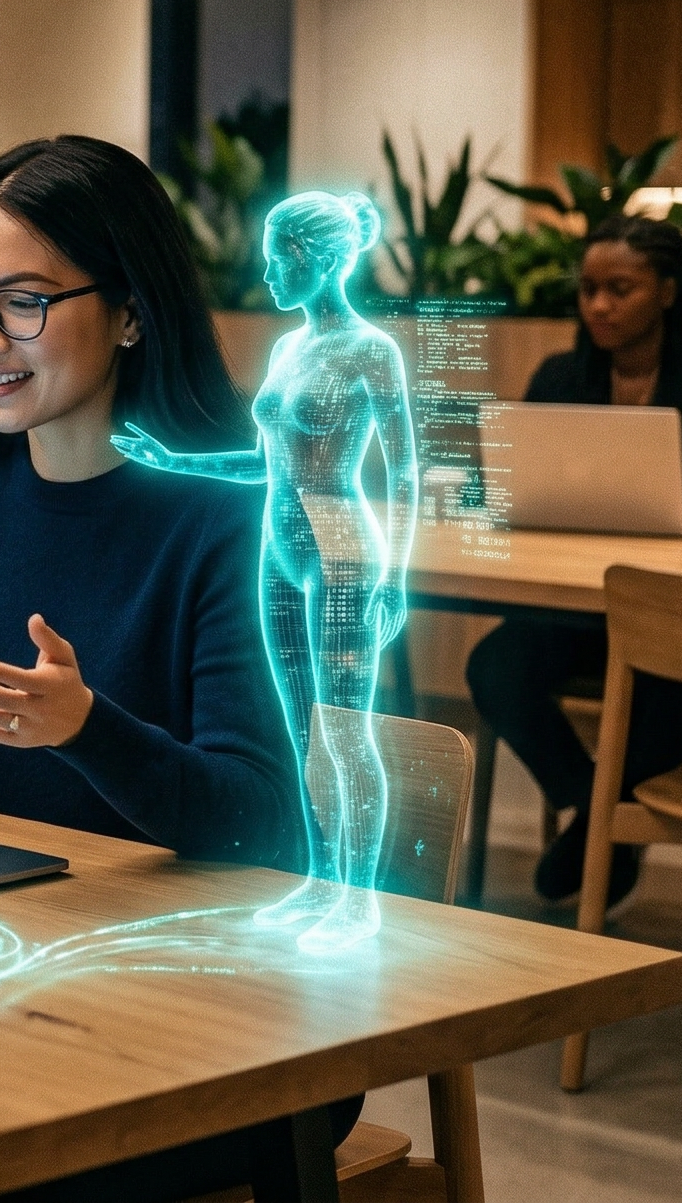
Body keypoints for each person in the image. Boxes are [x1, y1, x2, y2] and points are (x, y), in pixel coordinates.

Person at [0, 136, 357, 1200]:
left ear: (132, 311)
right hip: (13, 972)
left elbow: (255, 821)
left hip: (223, 1016)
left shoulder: (237, 523)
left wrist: (87, 728)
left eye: (23, 302)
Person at [116, 192, 419, 953]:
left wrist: (398, 580)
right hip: (278, 549)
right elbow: (268, 461)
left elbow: (406, 469)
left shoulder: (371, 350)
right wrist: (175, 462)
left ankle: (361, 898)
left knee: (347, 734)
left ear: (319, 261)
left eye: (278, 256)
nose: (266, 270)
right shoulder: (289, 351)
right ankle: (320, 882)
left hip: (342, 547)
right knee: (300, 731)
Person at [467, 214, 682, 909]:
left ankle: (593, 832)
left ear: (669, 292)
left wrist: (660, 496)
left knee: (668, 691)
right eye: (587, 290)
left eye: (621, 289)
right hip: (573, 603)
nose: (600, 306)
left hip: (675, 607)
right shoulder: (560, 374)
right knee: (494, 666)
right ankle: (600, 821)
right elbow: (517, 477)